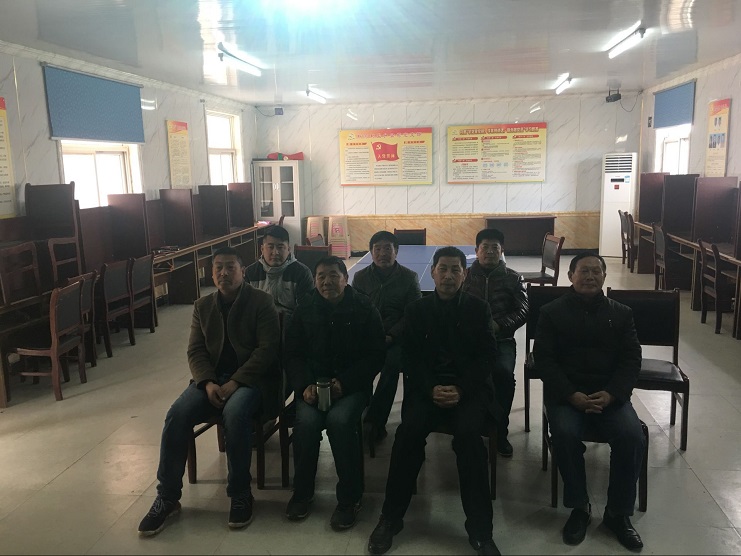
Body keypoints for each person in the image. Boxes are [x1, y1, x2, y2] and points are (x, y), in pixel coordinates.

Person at [138, 247, 281, 536]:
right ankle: (167, 497)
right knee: (177, 415)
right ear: (211, 273)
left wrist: (236, 381)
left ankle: (240, 493)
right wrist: (207, 382)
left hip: (251, 380)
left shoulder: (261, 302)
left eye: (230, 267)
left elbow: (267, 351)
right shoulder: (202, 306)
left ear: (243, 271)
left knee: (235, 414)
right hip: (212, 380)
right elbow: (196, 350)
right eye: (218, 268)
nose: (223, 273)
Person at [368, 247, 501, 556]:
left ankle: (481, 531)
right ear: (433, 272)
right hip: (427, 391)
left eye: (456, 270)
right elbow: (409, 358)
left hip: (468, 392)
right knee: (407, 435)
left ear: (465, 275)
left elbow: (487, 357)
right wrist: (431, 389)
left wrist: (460, 389)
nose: (449, 276)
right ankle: (390, 519)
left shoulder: (478, 309)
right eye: (443, 269)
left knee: (469, 440)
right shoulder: (417, 310)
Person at [534, 252, 645, 550]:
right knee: (565, 434)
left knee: (632, 436)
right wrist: (571, 394)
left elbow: (632, 360)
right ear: (570, 276)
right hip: (567, 396)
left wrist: (612, 394)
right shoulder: (551, 312)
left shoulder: (621, 313)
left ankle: (617, 513)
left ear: (605, 277)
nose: (590, 277)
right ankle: (579, 506)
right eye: (584, 271)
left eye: (597, 271)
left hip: (609, 396)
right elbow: (544, 359)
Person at [284, 256, 385, 530]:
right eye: (321, 276)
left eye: (333, 275)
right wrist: (304, 386)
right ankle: (302, 494)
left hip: (351, 388)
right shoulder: (304, 307)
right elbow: (292, 354)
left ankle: (350, 499)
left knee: (340, 423)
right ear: (314, 280)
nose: (327, 281)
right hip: (311, 387)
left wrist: (345, 383)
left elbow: (376, 355)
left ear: (345, 278)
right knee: (305, 425)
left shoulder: (364, 307)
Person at [462, 228, 528, 458]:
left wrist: (500, 326)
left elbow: (523, 310)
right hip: (469, 341)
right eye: (485, 247)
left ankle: (500, 430)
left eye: (494, 248)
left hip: (502, 339)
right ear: (476, 250)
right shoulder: (464, 276)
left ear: (502, 251)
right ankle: (468, 426)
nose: (489, 252)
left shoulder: (513, 278)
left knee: (503, 374)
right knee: (464, 373)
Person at [351, 230, 422, 444]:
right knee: (358, 366)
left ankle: (374, 422)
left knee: (391, 367)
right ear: (371, 252)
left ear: (396, 251)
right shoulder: (360, 277)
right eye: (378, 249)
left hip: (397, 340)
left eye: (387, 248)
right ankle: (358, 412)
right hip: (368, 338)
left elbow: (412, 315)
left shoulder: (409, 278)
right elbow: (356, 311)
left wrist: (391, 335)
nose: (383, 253)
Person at [245, 224, 314, 322]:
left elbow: (304, 311)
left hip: (291, 324)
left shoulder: (302, 273)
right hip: (259, 323)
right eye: (270, 247)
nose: (275, 252)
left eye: (280, 247)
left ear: (288, 249)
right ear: (262, 249)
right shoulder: (251, 273)